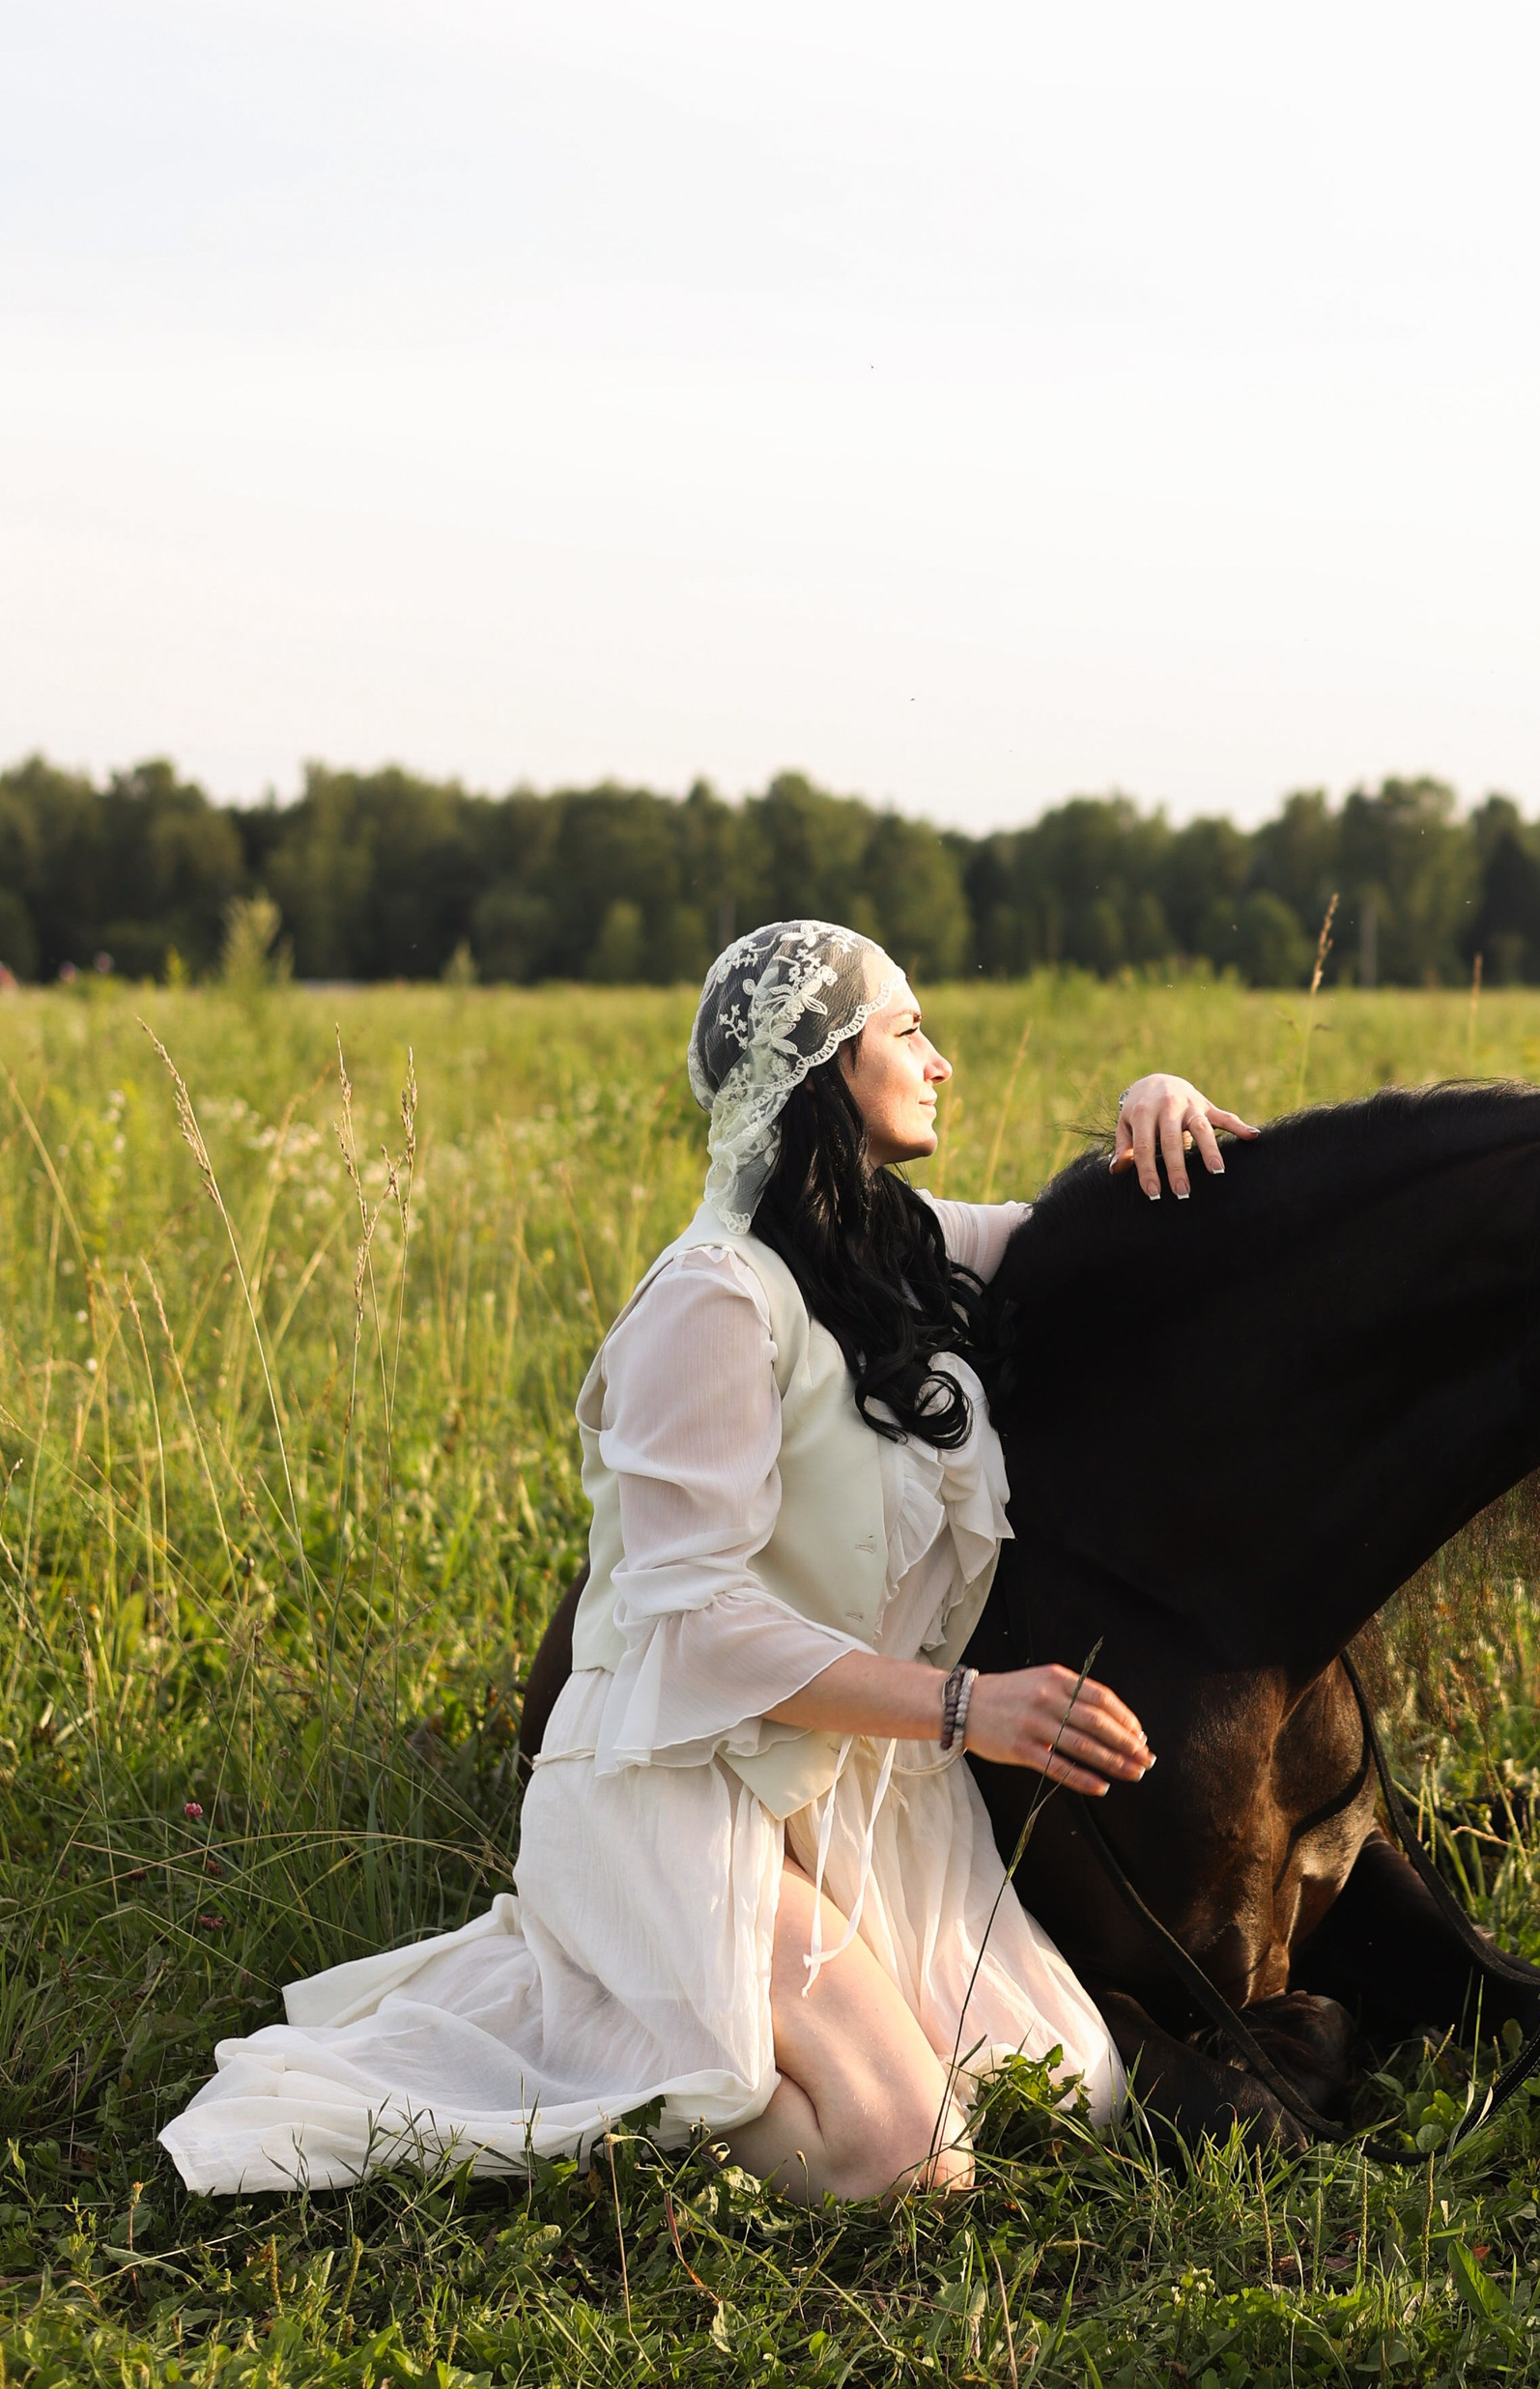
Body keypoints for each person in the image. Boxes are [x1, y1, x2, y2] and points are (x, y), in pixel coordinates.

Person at [161, 922, 1257, 2203]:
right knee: (907, 2156)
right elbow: (701, 1630)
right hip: (678, 1782)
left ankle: (662, 2033)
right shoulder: (714, 1297)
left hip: (850, 1791)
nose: (941, 1062)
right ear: (828, 1067)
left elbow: (1088, 1253)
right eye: (909, 1031)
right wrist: (973, 1708)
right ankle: (621, 2098)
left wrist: (1155, 1104)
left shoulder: (901, 1251)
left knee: (1066, 2083)